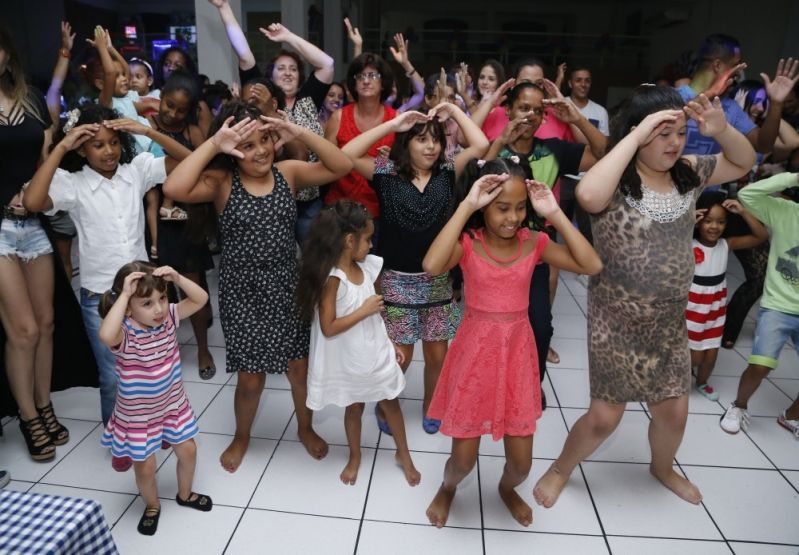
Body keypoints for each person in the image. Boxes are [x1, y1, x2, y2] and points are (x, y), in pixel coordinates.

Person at [532, 86, 755, 509]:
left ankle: (662, 467)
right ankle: (561, 468)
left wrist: (721, 129)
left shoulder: (689, 171)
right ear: (637, 133)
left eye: (681, 132)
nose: (674, 142)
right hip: (616, 320)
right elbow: (587, 196)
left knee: (674, 411)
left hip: (670, 321)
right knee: (604, 418)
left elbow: (742, 161)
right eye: (662, 132)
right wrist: (632, 140)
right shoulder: (615, 178)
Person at [162, 101, 352, 472]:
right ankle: (243, 435)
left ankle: (305, 428)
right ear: (232, 150)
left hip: (287, 284)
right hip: (242, 291)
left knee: (299, 369)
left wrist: (299, 133)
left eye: (265, 140)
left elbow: (340, 165)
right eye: (247, 145)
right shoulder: (221, 183)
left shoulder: (289, 172)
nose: (261, 150)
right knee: (251, 379)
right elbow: (174, 185)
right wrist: (214, 144)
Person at [422, 158, 602, 528]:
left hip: (517, 358)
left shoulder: (534, 243)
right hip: (475, 357)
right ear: (484, 205)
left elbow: (591, 265)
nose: (513, 217)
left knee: (521, 465)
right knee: (462, 462)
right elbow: (432, 264)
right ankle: (447, 487)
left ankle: (506, 489)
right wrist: (466, 205)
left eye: (521, 207)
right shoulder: (469, 244)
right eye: (502, 207)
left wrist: (555, 213)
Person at [23, 104, 192, 426]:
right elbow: (32, 201)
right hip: (100, 296)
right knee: (113, 375)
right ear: (81, 149)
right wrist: (60, 147)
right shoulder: (71, 183)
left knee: (153, 367)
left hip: (144, 293)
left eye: (114, 142)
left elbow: (189, 159)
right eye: (97, 145)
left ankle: (156, 423)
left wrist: (148, 132)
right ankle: (120, 437)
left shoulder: (136, 171)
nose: (109, 151)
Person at [341, 105, 489, 433]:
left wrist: (451, 108)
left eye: (436, 139)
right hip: (396, 280)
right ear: (405, 142)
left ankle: (432, 406)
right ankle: (385, 403)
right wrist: (392, 123)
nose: (430, 146)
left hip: (437, 280)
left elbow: (480, 145)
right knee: (400, 356)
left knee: (437, 356)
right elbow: (347, 154)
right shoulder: (385, 172)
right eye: (421, 139)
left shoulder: (447, 171)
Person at [0, 23, 96, 463]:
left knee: (47, 324)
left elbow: (43, 160)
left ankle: (43, 403)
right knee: (22, 331)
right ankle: (26, 415)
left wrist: (33, 191)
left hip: (32, 225)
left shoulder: (29, 100)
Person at [487, 81, 604, 405]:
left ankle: (529, 383)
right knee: (491, 329)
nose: (531, 115)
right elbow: (473, 172)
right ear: (508, 110)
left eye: (538, 110)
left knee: (540, 326)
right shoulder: (495, 148)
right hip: (491, 256)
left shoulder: (553, 149)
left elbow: (603, 153)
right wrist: (500, 142)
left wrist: (575, 118)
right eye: (523, 107)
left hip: (533, 252)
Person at [297, 200, 420, 486]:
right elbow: (328, 328)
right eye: (368, 239)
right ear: (349, 241)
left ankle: (404, 455)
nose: (372, 245)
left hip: (376, 350)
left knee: (391, 403)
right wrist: (362, 310)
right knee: (354, 408)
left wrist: (391, 342)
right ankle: (355, 456)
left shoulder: (367, 267)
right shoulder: (333, 280)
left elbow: (378, 313)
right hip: (351, 358)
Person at [98, 262, 212, 535]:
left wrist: (178, 278)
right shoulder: (124, 333)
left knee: (189, 451)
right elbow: (104, 335)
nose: (159, 309)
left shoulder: (170, 317)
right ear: (128, 308)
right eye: (147, 303)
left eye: (162, 298)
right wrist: (124, 296)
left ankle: (185, 494)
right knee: (146, 468)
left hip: (173, 406)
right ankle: (152, 505)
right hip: (138, 417)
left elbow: (201, 299)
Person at [212, 1, 334, 241]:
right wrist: (224, 8)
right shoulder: (258, 97)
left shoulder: (308, 100)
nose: (288, 72)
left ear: (300, 76)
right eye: (281, 69)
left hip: (309, 200)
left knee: (313, 263)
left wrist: (288, 36)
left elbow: (327, 64)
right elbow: (244, 55)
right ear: (270, 76)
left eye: (293, 69)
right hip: (268, 198)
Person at [146, 72, 216, 380]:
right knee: (159, 290)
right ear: (160, 98)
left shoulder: (192, 131)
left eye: (179, 109)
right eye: (168, 105)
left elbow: (202, 166)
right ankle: (165, 349)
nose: (172, 113)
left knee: (192, 286)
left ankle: (203, 348)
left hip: (187, 219)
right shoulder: (146, 125)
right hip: (153, 217)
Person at [719, 172, 799, 437]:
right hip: (779, 305)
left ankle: (791, 417)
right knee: (761, 365)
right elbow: (748, 194)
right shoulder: (786, 211)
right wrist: (795, 176)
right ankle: (739, 406)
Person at [687, 192, 767, 400]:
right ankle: (677, 375)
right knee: (695, 355)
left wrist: (743, 212)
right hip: (693, 308)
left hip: (715, 308)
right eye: (708, 221)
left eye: (720, 222)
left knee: (711, 355)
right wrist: (687, 222)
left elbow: (761, 236)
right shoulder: (687, 244)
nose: (714, 226)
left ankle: (702, 382)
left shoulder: (726, 245)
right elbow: (665, 243)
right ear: (698, 221)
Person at [325, 53, 396, 220]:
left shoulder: (396, 120)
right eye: (360, 76)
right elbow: (326, 162)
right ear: (354, 84)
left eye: (372, 75)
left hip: (380, 211)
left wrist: (384, 164)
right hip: (340, 209)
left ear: (383, 82)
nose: (365, 81)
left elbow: (402, 170)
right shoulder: (339, 117)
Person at [567, 67, 609, 136]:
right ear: (570, 84)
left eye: (587, 81)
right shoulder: (562, 105)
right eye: (578, 80)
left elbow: (604, 144)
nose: (583, 84)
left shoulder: (601, 111)